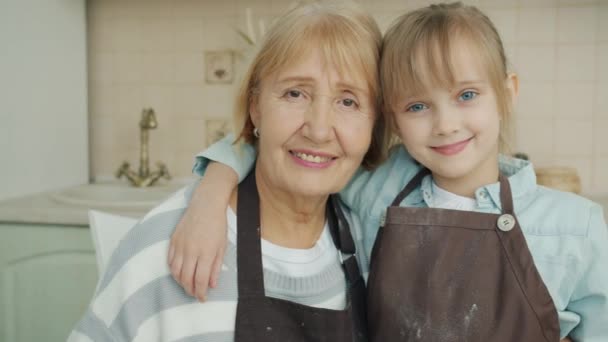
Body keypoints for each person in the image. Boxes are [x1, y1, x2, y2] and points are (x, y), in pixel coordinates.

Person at [167, 2, 608, 341]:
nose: (445, 123)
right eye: (418, 106)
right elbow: (285, 149)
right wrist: (211, 193)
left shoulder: (576, 227)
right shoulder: (378, 189)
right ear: (393, 119)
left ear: (507, 93)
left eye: (467, 95)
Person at [68, 2, 388, 341]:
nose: (319, 130)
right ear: (256, 107)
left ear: (375, 124)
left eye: (348, 101)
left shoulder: (373, 241)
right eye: (295, 93)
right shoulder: (170, 245)